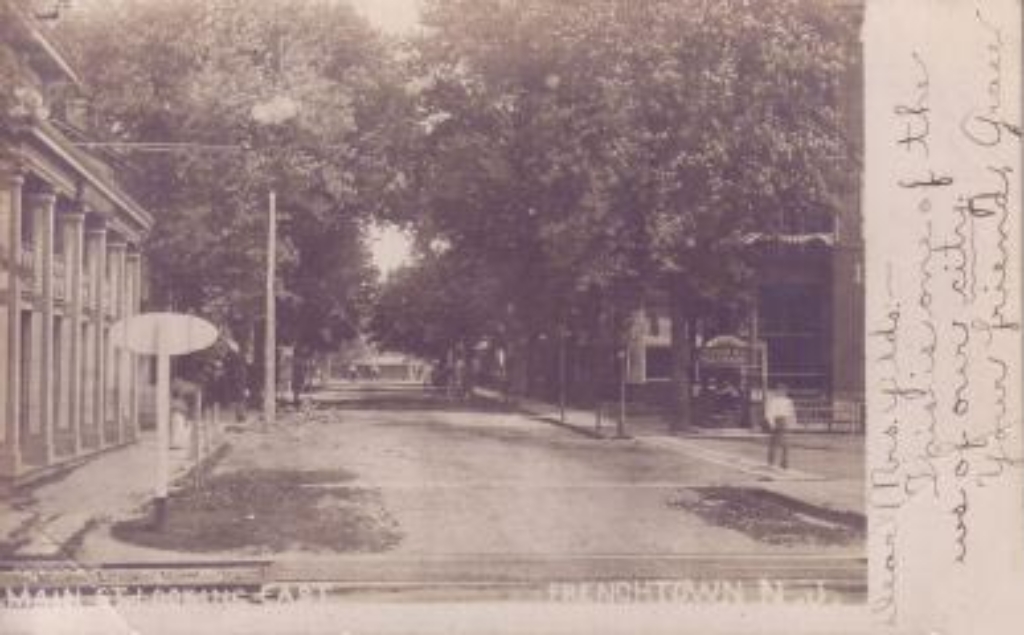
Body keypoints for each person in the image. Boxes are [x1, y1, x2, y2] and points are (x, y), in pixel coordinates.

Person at [764, 385, 796, 469]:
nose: (782, 392)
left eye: (783, 391)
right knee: (774, 442)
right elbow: (769, 413)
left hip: (785, 420)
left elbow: (792, 413)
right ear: (777, 392)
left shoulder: (788, 401)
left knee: (785, 443)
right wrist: (772, 423)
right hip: (777, 420)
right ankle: (771, 461)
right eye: (780, 391)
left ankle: (784, 462)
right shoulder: (773, 401)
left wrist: (792, 423)